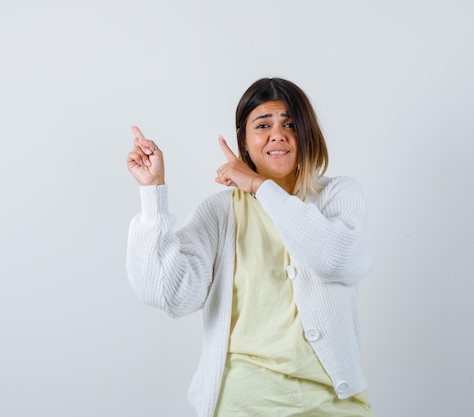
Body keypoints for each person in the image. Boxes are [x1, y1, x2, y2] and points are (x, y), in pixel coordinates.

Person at [126, 78, 375, 417]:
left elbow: (335, 259)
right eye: (263, 125)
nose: (278, 134)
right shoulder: (220, 212)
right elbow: (170, 293)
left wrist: (260, 186)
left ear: (307, 133)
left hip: (333, 402)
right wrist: (153, 193)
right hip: (243, 402)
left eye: (290, 123)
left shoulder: (338, 195)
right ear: (244, 140)